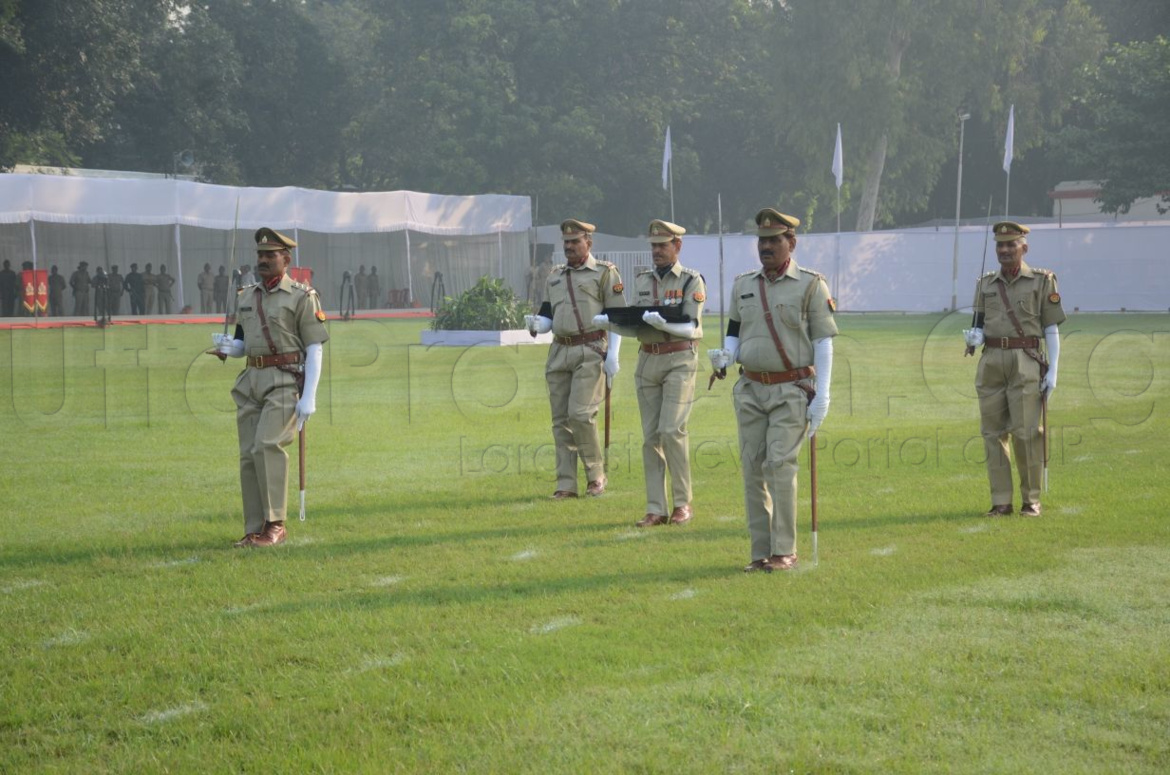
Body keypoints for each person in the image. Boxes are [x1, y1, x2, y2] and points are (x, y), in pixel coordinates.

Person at [708, 209, 837, 573]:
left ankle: (785, 550)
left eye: (774, 240)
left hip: (791, 390)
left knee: (780, 465)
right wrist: (725, 356)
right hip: (750, 389)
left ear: (791, 243)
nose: (766, 247)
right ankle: (759, 552)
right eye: (762, 240)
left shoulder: (811, 285)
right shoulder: (743, 284)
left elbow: (823, 342)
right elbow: (735, 331)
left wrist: (822, 396)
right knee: (752, 469)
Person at [208, 227, 329, 548]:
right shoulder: (246, 295)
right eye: (260, 255)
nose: (263, 260)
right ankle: (254, 528)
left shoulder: (303, 296)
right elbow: (242, 344)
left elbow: (315, 346)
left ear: (286, 259)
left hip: (285, 380)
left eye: (270, 255)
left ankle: (275, 524)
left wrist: (310, 397)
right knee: (248, 455)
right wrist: (226, 347)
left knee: (267, 445)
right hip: (250, 381)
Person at [593, 219, 705, 527]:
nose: (656, 251)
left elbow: (691, 327)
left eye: (662, 245)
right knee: (651, 437)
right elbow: (636, 325)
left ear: (677, 246)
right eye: (653, 245)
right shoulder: (643, 280)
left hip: (679, 359)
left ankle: (683, 503)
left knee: (672, 431)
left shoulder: (691, 281)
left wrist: (664, 325)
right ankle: (656, 507)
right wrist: (609, 324)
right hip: (647, 360)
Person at [963, 221, 1065, 517]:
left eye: (1011, 244)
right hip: (992, 360)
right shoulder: (985, 283)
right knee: (992, 434)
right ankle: (1001, 501)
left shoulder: (1042, 280)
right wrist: (975, 336)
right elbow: (979, 324)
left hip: (1026, 359)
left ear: (1024, 247)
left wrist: (1054, 370)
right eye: (1000, 245)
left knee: (1026, 433)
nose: (1004, 250)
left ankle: (1031, 499)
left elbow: (1050, 327)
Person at [525, 218, 625, 499]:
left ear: (588, 243)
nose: (569, 247)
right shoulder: (555, 276)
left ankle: (596, 475)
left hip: (591, 349)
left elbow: (617, 318)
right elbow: (547, 317)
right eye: (566, 242)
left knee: (580, 415)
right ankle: (566, 484)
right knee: (560, 421)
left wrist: (613, 355)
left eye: (575, 242)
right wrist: (535, 324)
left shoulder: (605, 273)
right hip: (558, 351)